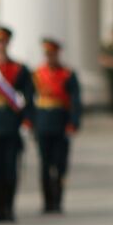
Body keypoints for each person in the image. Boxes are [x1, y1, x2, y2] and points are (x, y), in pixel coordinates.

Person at [0, 25, 34, 223]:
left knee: (10, 168)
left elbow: (28, 97)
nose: (0, 46)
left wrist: (27, 122)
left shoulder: (19, 69)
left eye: (3, 42)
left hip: (12, 124)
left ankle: (8, 208)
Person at [33, 38, 82, 214]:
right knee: (45, 165)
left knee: (60, 165)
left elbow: (75, 101)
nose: (49, 57)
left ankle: (58, 199)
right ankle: (47, 201)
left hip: (61, 124)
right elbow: (32, 101)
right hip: (43, 124)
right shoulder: (37, 73)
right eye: (47, 54)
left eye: (52, 54)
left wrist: (73, 124)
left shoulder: (67, 74)